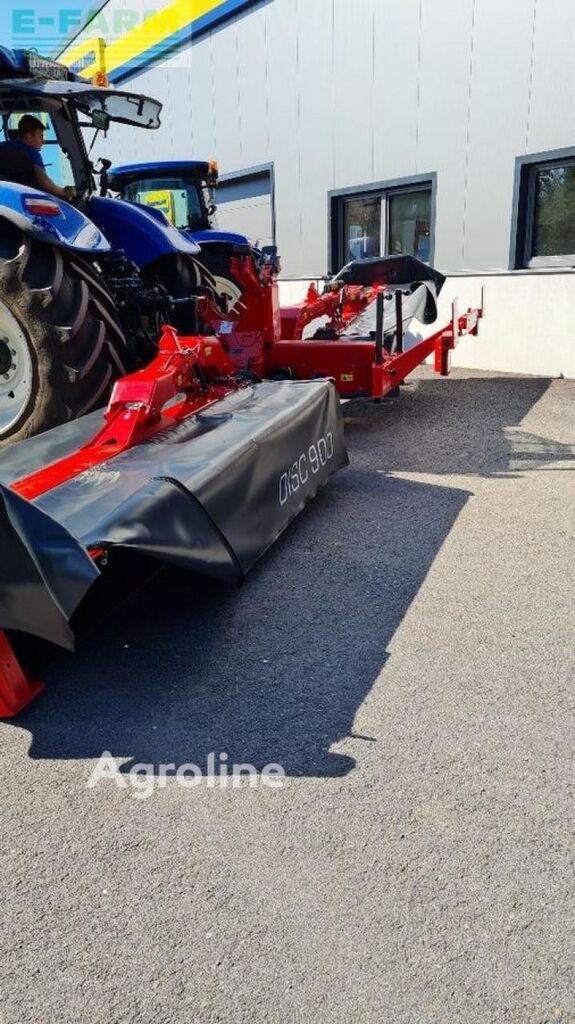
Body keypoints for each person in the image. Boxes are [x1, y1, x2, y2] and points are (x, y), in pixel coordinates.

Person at [0, 114, 77, 201]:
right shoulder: (31, 152)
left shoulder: (2, 146)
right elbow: (44, 182)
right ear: (29, 137)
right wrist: (63, 192)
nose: (43, 141)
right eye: (40, 137)